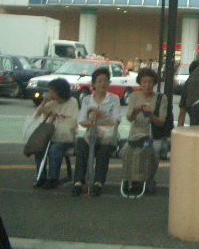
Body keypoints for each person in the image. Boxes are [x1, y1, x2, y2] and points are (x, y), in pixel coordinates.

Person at [71, 67, 120, 197]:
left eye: (105, 81)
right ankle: (78, 182)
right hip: (91, 134)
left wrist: (100, 114)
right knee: (82, 146)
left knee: (104, 150)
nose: (102, 83)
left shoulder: (114, 99)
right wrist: (91, 121)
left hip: (108, 135)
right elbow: (82, 120)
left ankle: (98, 182)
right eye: (99, 81)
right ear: (93, 84)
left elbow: (116, 121)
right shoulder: (87, 100)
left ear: (109, 83)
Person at [123, 68, 167, 195]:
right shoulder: (133, 96)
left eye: (150, 82)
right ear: (140, 83)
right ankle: (132, 179)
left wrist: (150, 115)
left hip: (152, 135)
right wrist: (135, 112)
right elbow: (129, 118)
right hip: (136, 134)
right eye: (144, 82)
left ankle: (147, 179)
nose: (147, 85)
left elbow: (161, 122)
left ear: (154, 83)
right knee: (127, 151)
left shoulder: (161, 98)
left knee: (152, 151)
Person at [31, 78, 78, 189]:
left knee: (54, 149)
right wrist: (43, 102)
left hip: (66, 137)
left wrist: (53, 114)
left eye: (51, 91)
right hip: (50, 136)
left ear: (59, 92)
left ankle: (53, 178)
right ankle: (40, 177)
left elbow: (71, 121)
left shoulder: (72, 102)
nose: (49, 93)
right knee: (39, 149)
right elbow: (36, 116)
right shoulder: (51, 103)